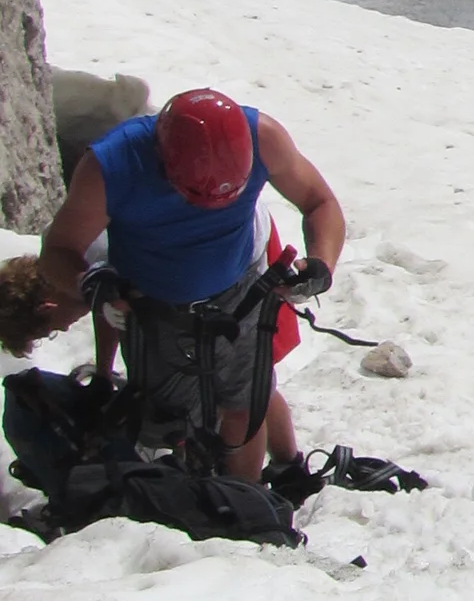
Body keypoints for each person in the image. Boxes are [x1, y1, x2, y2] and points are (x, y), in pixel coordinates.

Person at [37, 88, 344, 479]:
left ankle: (240, 502)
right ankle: (199, 491)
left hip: (241, 288)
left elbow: (320, 202)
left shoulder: (263, 137)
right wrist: (92, 286)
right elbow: (58, 252)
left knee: (245, 401)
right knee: (171, 418)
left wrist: (320, 263)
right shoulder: (113, 165)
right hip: (152, 303)